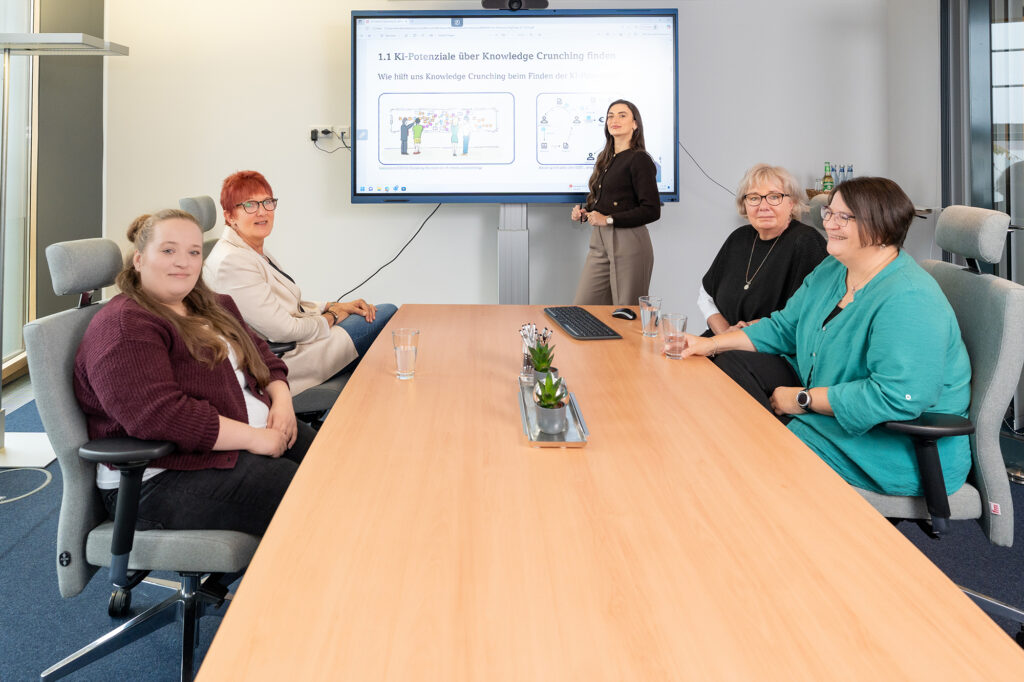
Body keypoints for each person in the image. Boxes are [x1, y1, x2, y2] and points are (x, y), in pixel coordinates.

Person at [679, 177, 971, 497]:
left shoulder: (909, 298)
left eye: (844, 217)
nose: (830, 224)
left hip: (890, 446)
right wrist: (709, 344)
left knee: (749, 456)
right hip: (836, 419)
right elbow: (784, 327)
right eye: (829, 213)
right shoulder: (834, 269)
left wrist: (803, 399)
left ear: (881, 228)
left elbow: (896, 397)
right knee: (732, 388)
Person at [74, 209, 314, 535]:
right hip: (160, 477)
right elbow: (160, 416)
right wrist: (256, 439)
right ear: (139, 260)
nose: (183, 262)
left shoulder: (211, 304)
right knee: (313, 500)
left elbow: (263, 356)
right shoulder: (125, 326)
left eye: (194, 252)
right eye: (168, 250)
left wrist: (282, 401)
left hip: (232, 445)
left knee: (337, 465)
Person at [204, 170, 397, 396]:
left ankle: (352, 407)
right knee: (385, 313)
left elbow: (282, 303)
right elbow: (282, 331)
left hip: (298, 342)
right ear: (229, 216)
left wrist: (331, 306)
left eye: (267, 202)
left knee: (370, 315)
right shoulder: (232, 261)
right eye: (250, 205)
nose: (262, 212)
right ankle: (348, 412)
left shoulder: (246, 247)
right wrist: (332, 317)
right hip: (286, 358)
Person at [698, 163, 827, 335]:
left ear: (792, 203)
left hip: (771, 348)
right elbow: (706, 296)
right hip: (723, 341)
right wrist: (724, 335)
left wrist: (743, 335)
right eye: (754, 198)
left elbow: (807, 311)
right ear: (744, 204)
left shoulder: (805, 241)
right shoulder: (738, 238)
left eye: (774, 197)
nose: (763, 206)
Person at [570, 99, 660, 306]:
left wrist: (608, 219)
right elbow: (607, 202)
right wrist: (586, 212)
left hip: (628, 240)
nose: (614, 120)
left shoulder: (640, 160)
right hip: (599, 240)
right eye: (610, 116)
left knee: (626, 310)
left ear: (635, 124)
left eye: (622, 115)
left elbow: (652, 210)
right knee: (584, 306)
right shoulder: (605, 159)